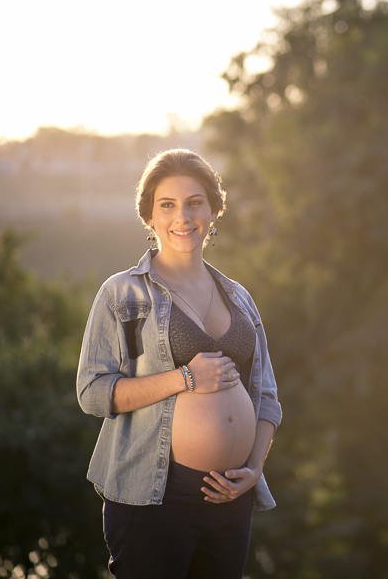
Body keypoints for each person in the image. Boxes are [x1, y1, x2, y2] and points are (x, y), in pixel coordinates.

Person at [76, 149, 282, 578]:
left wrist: (254, 470)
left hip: (231, 497)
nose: (182, 217)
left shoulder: (239, 296)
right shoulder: (122, 295)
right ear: (149, 216)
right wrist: (186, 378)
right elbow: (92, 393)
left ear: (213, 209)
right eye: (167, 205)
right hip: (156, 497)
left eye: (194, 202)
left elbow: (266, 396)